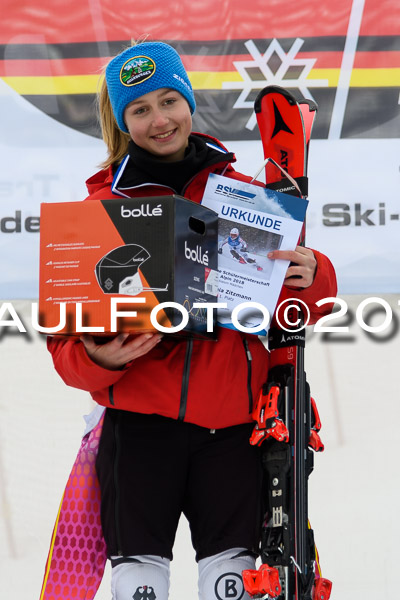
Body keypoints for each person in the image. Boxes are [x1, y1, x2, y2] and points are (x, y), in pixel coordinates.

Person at [47, 40, 337, 600]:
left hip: (230, 429)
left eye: (168, 101)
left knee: (230, 584)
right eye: (140, 109)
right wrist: (95, 358)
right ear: (122, 121)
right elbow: (67, 355)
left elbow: (294, 314)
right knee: (138, 585)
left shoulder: (247, 197)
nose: (159, 120)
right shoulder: (98, 211)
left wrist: (314, 273)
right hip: (137, 428)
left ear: (187, 101)